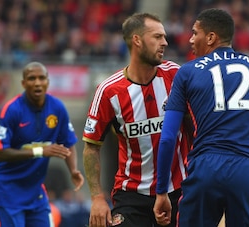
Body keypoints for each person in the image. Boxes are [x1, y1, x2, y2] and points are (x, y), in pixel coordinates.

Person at [153, 8, 249, 227]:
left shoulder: (187, 72)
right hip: (248, 171)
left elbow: (167, 137)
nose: (190, 39)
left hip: (204, 169)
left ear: (211, 37)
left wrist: (161, 190)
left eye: (195, 33)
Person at [82, 12, 190, 227]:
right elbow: (91, 148)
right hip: (131, 194)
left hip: (178, 191)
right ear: (137, 40)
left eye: (164, 37)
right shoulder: (108, 91)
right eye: (157, 37)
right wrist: (96, 198)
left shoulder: (177, 76)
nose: (165, 43)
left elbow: (197, 127)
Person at [0, 61, 84, 227]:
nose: (37, 82)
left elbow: (68, 143)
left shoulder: (57, 108)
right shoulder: (11, 110)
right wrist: (40, 151)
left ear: (48, 81)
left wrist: (73, 170)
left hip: (35, 195)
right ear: (24, 83)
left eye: (41, 78)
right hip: (6, 195)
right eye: (32, 78)